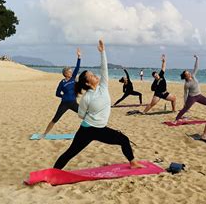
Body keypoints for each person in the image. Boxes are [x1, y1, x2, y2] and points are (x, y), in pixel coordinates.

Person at [53, 40, 143, 170]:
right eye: (92, 76)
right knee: (71, 152)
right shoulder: (86, 97)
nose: (95, 76)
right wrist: (93, 116)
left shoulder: (103, 87)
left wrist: (102, 52)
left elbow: (104, 68)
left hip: (101, 129)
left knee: (123, 140)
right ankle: (54, 171)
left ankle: (133, 163)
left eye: (94, 74)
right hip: (87, 130)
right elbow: (80, 115)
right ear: (88, 83)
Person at [42, 48, 81, 138]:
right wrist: (64, 96)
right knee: (55, 119)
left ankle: (90, 132)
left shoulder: (73, 78)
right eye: (69, 72)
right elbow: (57, 93)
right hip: (64, 104)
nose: (71, 73)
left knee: (86, 115)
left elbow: (77, 67)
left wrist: (79, 57)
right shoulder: (62, 83)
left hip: (73, 103)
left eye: (71, 72)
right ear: (65, 73)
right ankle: (44, 134)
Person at [174, 55, 206, 122]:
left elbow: (196, 67)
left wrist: (197, 59)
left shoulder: (193, 75)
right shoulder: (187, 84)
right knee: (185, 108)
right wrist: (185, 102)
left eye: (188, 72)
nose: (189, 73)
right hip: (192, 97)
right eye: (187, 73)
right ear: (185, 76)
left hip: (199, 95)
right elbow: (185, 94)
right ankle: (177, 118)